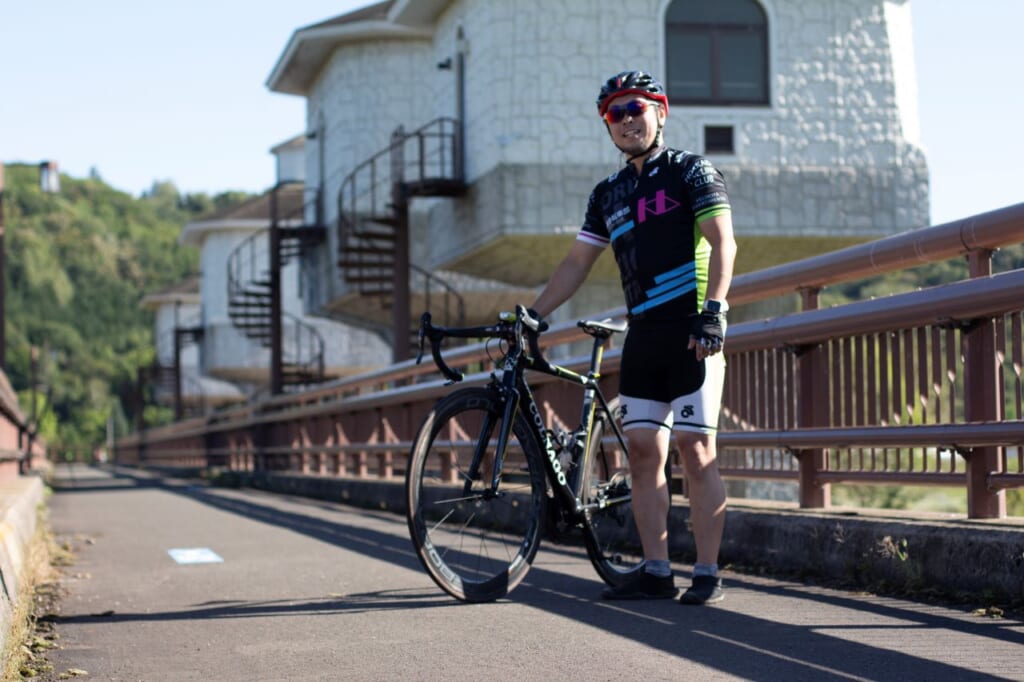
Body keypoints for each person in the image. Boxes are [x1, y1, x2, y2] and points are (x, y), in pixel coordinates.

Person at [529, 70, 736, 605]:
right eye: (614, 114)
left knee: (696, 448)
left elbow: (722, 240)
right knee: (643, 451)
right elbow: (577, 262)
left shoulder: (692, 170)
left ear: (660, 112)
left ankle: (708, 572)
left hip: (692, 326)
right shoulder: (609, 194)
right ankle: (657, 570)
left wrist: (713, 311)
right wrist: (533, 314)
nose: (626, 121)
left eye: (635, 109)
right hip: (642, 333)